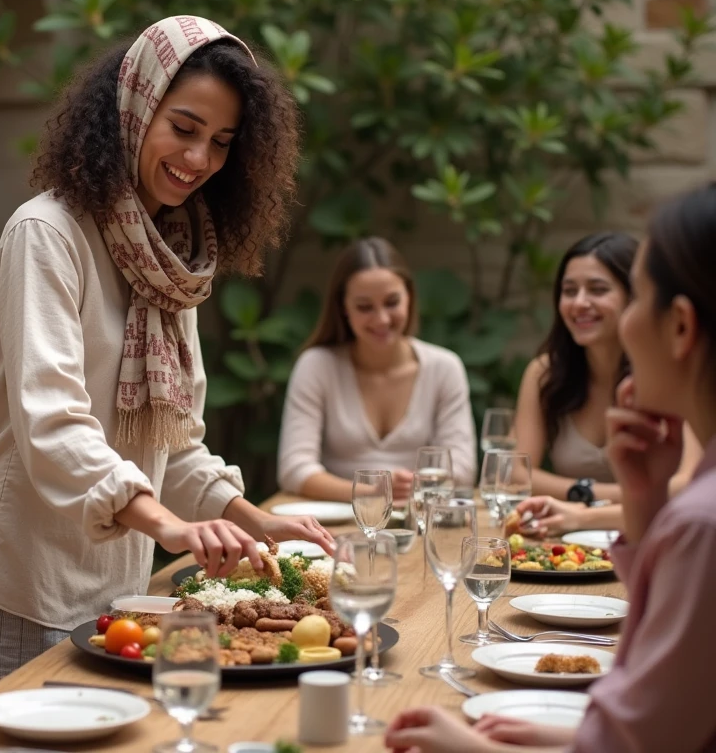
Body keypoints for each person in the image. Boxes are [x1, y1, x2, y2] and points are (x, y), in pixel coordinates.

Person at [0, 16, 332, 702]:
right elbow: (53, 423)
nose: (199, 158)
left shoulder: (170, 258)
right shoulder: (46, 233)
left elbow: (170, 442)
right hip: (14, 578)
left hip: (113, 583)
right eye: (184, 127)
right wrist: (169, 525)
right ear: (133, 108)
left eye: (222, 142)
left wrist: (248, 515)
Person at [384, 185, 716, 753]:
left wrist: (473, 749)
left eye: (633, 297)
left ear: (680, 327)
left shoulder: (701, 525)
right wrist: (642, 496)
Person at [277, 237, 477, 504]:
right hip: (332, 525)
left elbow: (462, 470)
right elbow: (294, 469)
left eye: (392, 302)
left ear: (410, 297)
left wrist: (409, 488)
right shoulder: (317, 366)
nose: (382, 319)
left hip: (419, 520)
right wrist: (372, 492)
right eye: (364, 307)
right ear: (344, 308)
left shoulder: (444, 368)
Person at [513, 231, 699, 505]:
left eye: (598, 289)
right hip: (566, 541)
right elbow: (515, 474)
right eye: (569, 291)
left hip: (654, 537)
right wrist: (593, 496)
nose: (579, 303)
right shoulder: (544, 373)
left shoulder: (676, 373)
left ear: (636, 297)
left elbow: (685, 486)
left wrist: (582, 502)